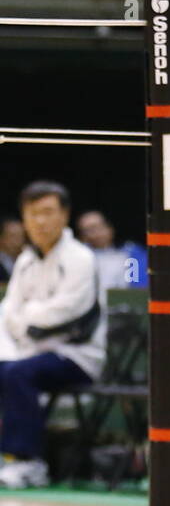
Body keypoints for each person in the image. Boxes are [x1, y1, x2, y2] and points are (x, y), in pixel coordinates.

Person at [0, 182, 104, 488]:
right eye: (33, 214)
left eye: (47, 212)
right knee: (11, 369)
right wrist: (21, 326)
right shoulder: (25, 261)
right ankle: (8, 455)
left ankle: (28, 462)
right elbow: (8, 312)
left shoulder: (80, 258)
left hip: (76, 357)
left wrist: (27, 317)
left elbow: (67, 310)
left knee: (19, 375)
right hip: (28, 353)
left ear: (65, 215)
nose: (40, 221)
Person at [76, 210, 147, 292]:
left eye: (97, 227)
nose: (96, 233)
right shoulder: (80, 257)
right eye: (88, 230)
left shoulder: (132, 253)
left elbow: (140, 290)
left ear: (109, 228)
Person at [0, 216, 24, 281]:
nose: (18, 241)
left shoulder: (27, 258)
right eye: (13, 236)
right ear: (1, 238)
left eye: (21, 236)